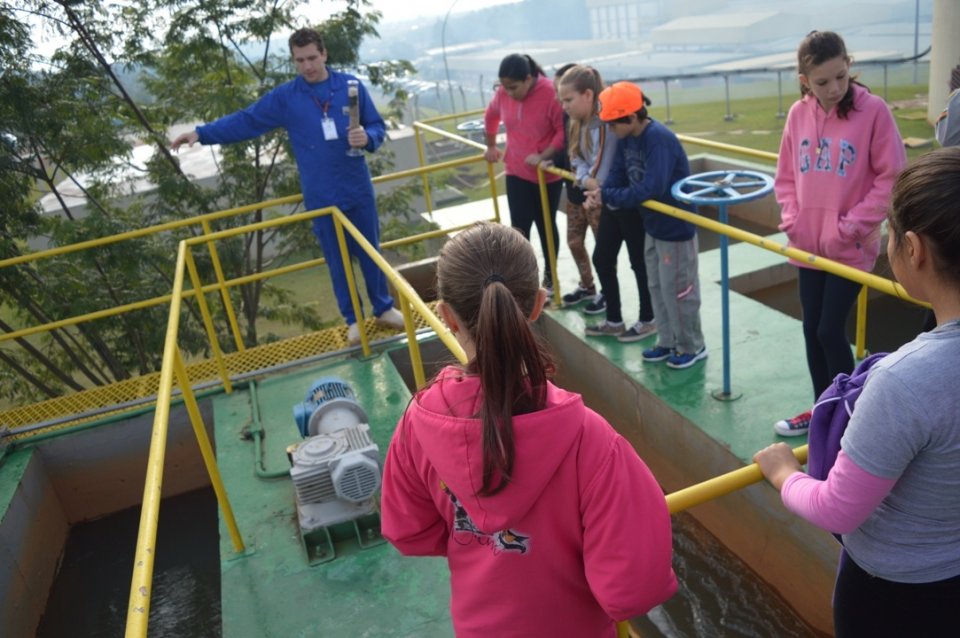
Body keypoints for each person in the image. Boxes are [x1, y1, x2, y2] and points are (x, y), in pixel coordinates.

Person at [380, 222, 677, 637]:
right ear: (537, 305)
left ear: (446, 317)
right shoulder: (589, 439)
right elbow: (631, 591)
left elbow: (409, 531)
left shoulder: (420, 423)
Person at [754, 146, 960, 637]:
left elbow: (838, 507)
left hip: (896, 593)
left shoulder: (907, 380)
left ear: (914, 249)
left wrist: (784, 473)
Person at [169, 28, 403, 346]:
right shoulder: (287, 97)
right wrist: (201, 133)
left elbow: (376, 125)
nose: (307, 66)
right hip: (322, 196)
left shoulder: (350, 86)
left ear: (324, 55)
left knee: (370, 251)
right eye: (299, 60)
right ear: (293, 61)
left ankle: (383, 308)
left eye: (311, 58)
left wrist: (369, 137)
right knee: (337, 262)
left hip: (356, 188)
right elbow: (246, 120)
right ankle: (354, 320)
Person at [773, 30, 906, 435]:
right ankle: (821, 413)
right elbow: (785, 176)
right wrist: (793, 218)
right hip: (807, 243)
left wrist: (849, 227)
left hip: (849, 245)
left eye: (840, 78)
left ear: (849, 65)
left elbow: (892, 176)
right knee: (810, 328)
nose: (834, 89)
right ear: (804, 80)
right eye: (822, 82)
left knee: (830, 329)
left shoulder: (874, 111)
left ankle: (851, 418)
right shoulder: (798, 115)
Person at [586, 82, 706, 367]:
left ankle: (692, 345)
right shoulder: (629, 138)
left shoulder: (658, 139)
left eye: (612, 124)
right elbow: (617, 172)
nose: (610, 130)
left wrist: (605, 195)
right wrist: (604, 191)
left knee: (679, 291)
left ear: (630, 117)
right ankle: (667, 341)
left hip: (675, 229)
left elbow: (650, 187)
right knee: (657, 287)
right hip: (652, 226)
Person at [484, 54, 565, 296]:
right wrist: (490, 146)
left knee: (545, 226)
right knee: (518, 228)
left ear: (529, 79)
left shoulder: (550, 92)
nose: (508, 93)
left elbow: (563, 130)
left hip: (544, 176)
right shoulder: (502, 94)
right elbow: (490, 116)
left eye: (514, 87)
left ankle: (550, 281)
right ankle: (523, 280)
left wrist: (544, 155)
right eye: (503, 87)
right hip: (516, 170)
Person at [553, 64, 606, 316]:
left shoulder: (602, 125)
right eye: (561, 100)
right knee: (574, 241)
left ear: (587, 94)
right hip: (578, 194)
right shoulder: (574, 122)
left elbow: (601, 162)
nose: (564, 106)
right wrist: (585, 179)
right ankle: (588, 285)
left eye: (568, 99)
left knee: (603, 249)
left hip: (597, 199)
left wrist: (590, 180)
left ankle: (608, 291)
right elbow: (576, 157)